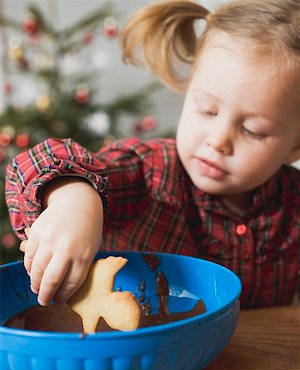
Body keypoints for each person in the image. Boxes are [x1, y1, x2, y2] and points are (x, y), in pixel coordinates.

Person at [5, 0, 300, 309]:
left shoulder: (292, 202)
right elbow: (36, 161)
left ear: (294, 146)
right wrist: (73, 200)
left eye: (253, 130)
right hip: (139, 352)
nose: (219, 141)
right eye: (207, 110)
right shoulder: (149, 172)